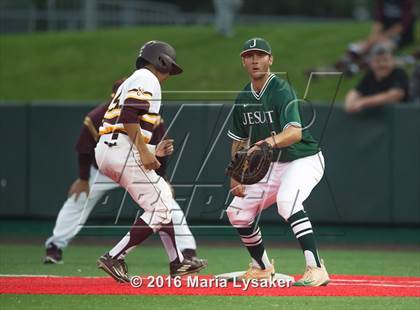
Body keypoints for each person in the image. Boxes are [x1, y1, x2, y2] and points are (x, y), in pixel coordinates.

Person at [44, 80, 203, 265]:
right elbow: (84, 149)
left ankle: (186, 251)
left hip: (136, 166)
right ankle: (55, 246)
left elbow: (162, 148)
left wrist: (163, 177)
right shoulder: (97, 116)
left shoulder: (149, 114)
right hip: (105, 170)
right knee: (79, 198)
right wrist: (83, 178)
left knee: (165, 201)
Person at [94, 41, 207, 283]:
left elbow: (123, 123)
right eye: (169, 68)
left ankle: (178, 262)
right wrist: (146, 152)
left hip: (110, 149)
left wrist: (153, 149)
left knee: (163, 200)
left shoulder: (136, 78)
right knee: (162, 206)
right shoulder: (147, 78)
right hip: (122, 150)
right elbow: (128, 115)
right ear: (161, 61)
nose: (169, 75)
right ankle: (114, 256)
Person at [226, 38, 329, 287]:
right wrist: (236, 174)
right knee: (237, 212)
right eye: (249, 55)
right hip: (274, 166)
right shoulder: (243, 97)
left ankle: (316, 268)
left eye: (260, 55)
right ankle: (261, 267)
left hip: (303, 159)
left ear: (270, 59)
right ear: (243, 61)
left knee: (287, 201)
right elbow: (239, 141)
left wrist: (264, 144)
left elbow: (294, 133)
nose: (254, 59)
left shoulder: (281, 89)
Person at [345, 44, 409, 113]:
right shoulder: (370, 75)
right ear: (371, 63)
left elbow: (395, 95)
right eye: (377, 61)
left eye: (385, 60)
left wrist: (363, 102)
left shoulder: (398, 73)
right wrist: (350, 103)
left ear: (393, 61)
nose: (382, 64)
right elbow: (356, 91)